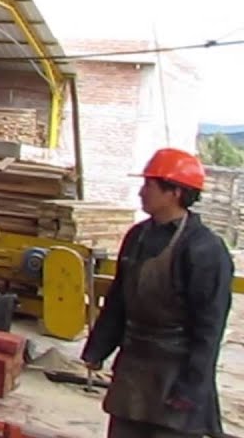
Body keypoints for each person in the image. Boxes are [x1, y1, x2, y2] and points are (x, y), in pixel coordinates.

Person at [81, 148, 234, 438]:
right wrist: (99, 347)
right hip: (134, 369)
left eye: (149, 185)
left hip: (175, 372)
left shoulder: (205, 250)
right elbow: (119, 301)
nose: (141, 192)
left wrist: (192, 386)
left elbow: (209, 328)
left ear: (174, 192)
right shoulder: (138, 236)